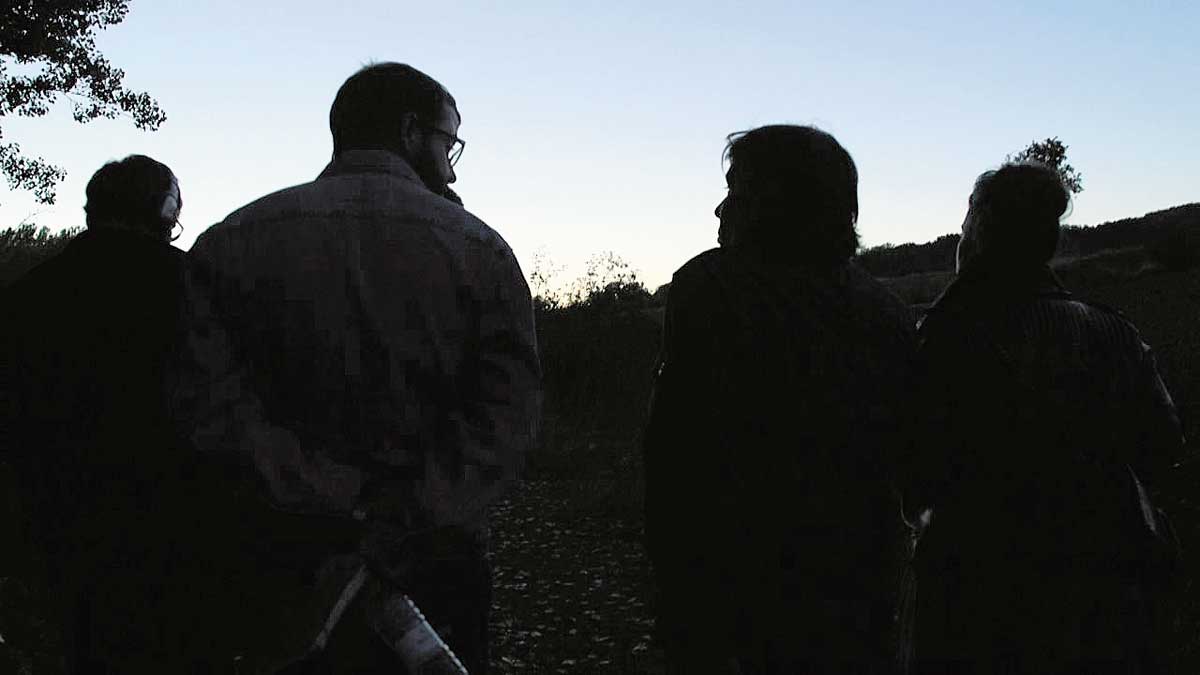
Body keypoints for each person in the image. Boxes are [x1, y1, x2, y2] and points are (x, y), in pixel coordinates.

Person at [176, 62, 541, 673]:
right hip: (434, 561)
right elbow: (507, 414)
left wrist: (325, 497)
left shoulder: (230, 242)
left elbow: (209, 407)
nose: (452, 166)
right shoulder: (481, 250)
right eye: (449, 143)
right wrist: (412, 510)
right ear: (409, 131)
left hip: (283, 558)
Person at [643, 124, 917, 674]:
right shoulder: (883, 309)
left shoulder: (708, 287)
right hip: (852, 584)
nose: (720, 209)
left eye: (735, 189)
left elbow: (675, 448)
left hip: (726, 584)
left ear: (772, 201)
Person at [905, 162, 1184, 674]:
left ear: (981, 230)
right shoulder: (1112, 330)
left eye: (968, 220)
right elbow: (1163, 444)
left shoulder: (945, 338)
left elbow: (913, 472)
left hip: (979, 594)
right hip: (1111, 584)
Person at [0, 155, 219, 670]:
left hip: (55, 509)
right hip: (171, 511)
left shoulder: (29, 292)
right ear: (164, 212)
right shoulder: (194, 285)